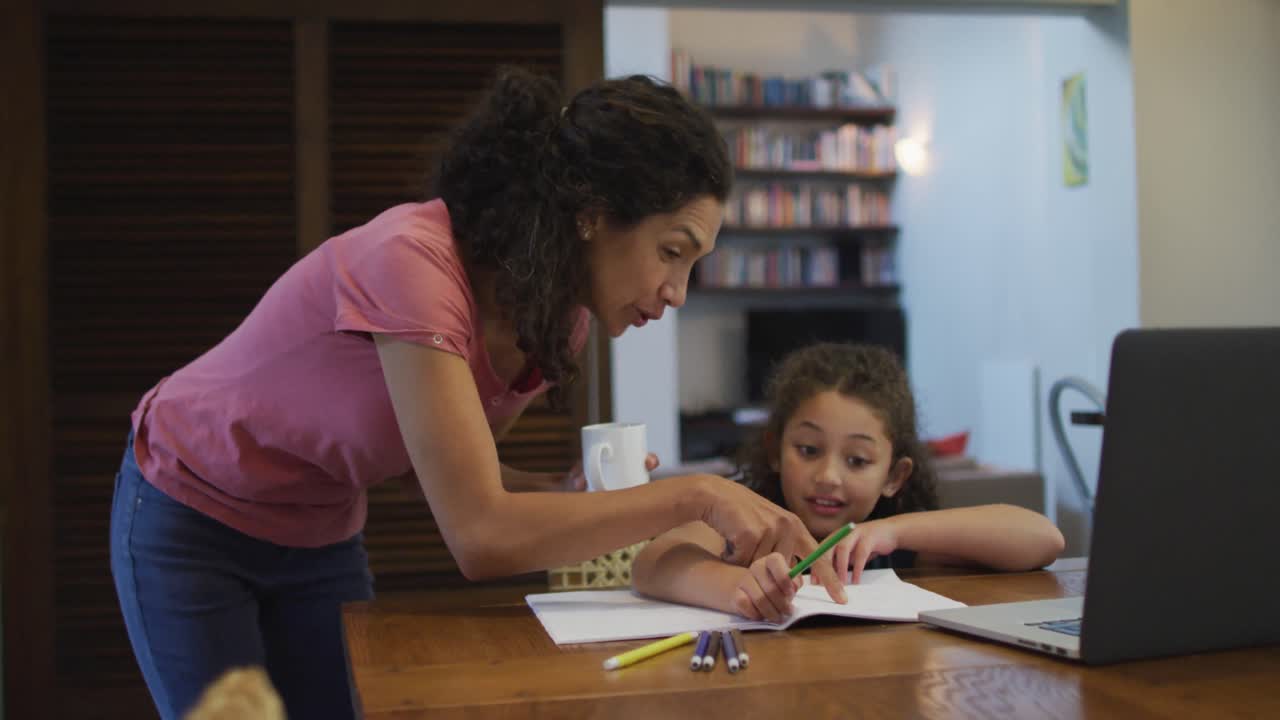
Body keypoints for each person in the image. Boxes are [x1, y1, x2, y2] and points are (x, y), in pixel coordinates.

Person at [109, 67, 844, 720]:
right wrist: (695, 496)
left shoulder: (558, 324)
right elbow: (480, 536)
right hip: (192, 512)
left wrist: (562, 491)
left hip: (320, 528)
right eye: (672, 252)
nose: (677, 293)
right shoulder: (413, 265)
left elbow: (463, 473)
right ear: (591, 213)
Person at [632, 343, 1066, 623]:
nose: (828, 477)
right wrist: (737, 589)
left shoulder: (892, 537)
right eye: (808, 450)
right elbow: (653, 562)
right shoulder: (751, 518)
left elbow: (1043, 539)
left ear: (895, 476)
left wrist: (895, 530)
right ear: (773, 450)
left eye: (857, 460)